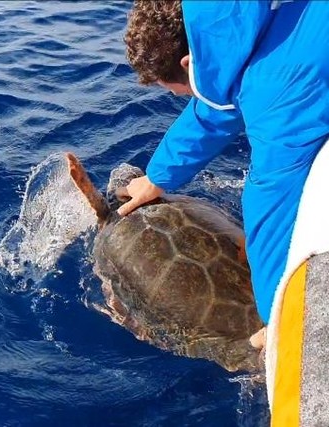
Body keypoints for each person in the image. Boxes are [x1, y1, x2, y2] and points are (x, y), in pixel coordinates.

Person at [121, 1, 329, 424]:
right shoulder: (259, 32)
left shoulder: (280, 92)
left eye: (171, 89)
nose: (178, 96)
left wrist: (280, 320)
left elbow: (274, 203)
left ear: (186, 63)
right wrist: (157, 177)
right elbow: (216, 109)